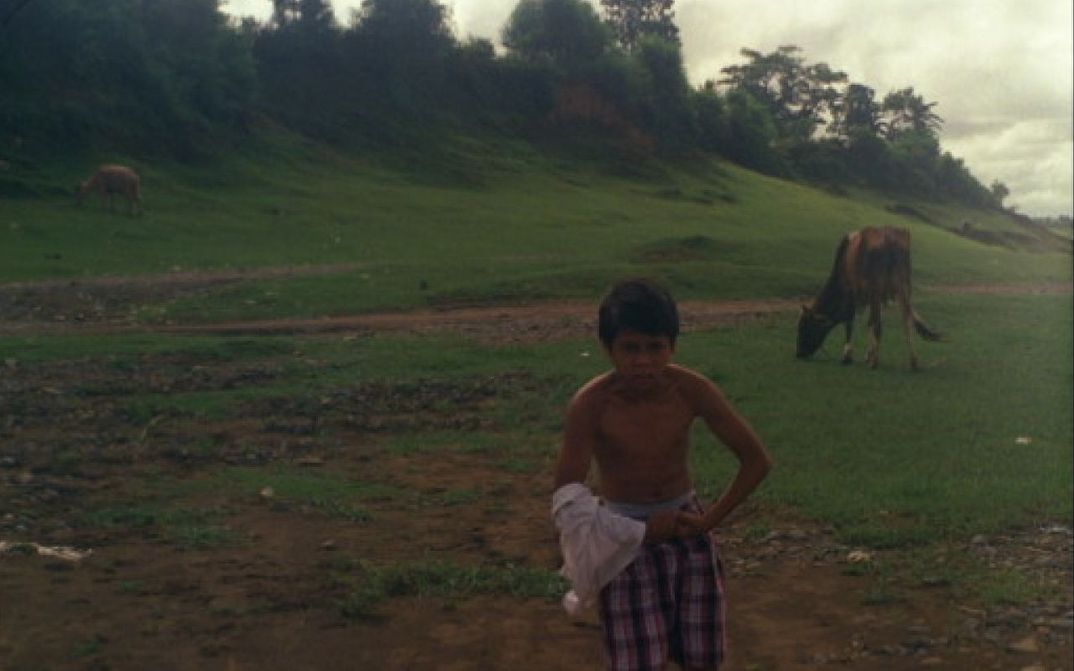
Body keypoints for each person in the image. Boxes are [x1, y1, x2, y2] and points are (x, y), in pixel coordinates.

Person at [553, 278, 773, 671]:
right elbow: (567, 496)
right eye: (630, 348)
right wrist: (633, 533)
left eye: (655, 347)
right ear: (609, 348)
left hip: (688, 534)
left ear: (672, 345)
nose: (643, 361)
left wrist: (709, 521)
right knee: (637, 659)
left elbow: (756, 460)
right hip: (622, 544)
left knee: (702, 655)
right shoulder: (592, 404)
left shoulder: (690, 390)